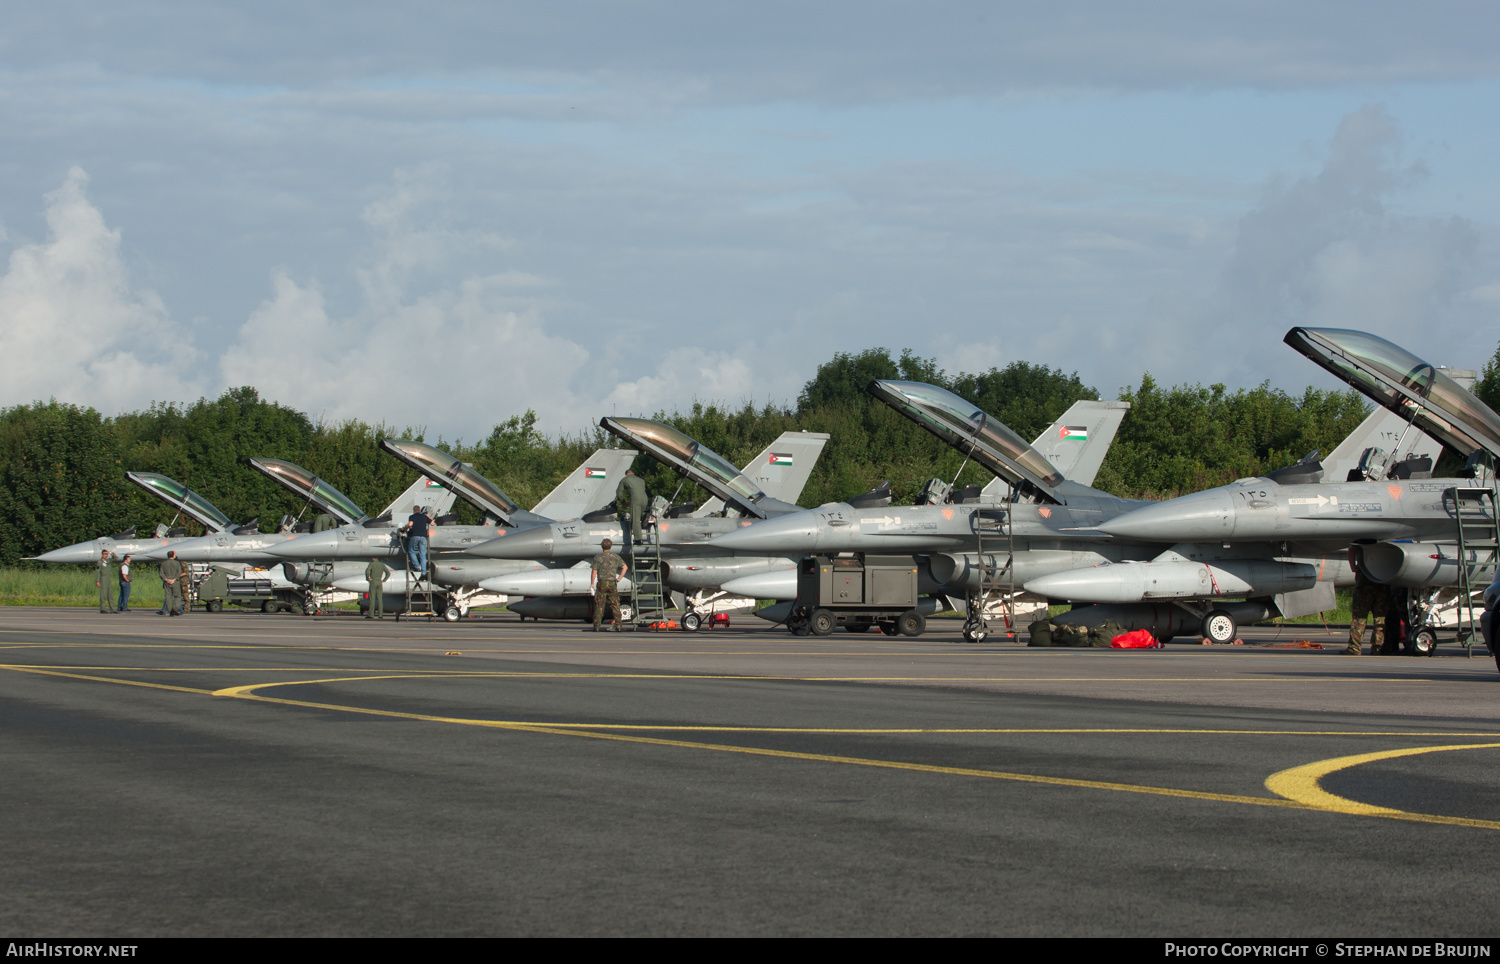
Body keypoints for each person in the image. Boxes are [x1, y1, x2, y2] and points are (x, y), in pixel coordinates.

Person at [589, 538, 629, 632]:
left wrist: (592, 583)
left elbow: (594, 571)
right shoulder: (615, 557)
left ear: (602, 546)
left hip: (602, 582)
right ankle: (618, 626)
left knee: (599, 605)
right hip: (612, 583)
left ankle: (597, 626)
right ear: (610, 546)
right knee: (615, 605)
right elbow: (625, 567)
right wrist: (618, 579)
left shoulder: (598, 557)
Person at [1345, 568, 1388, 656]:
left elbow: (1352, 554)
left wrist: (1355, 567)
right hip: (1382, 580)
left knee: (1359, 618)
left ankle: (1354, 648)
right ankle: (1378, 647)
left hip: (1364, 580)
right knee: (1380, 618)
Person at [616, 469, 648, 546]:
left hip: (636, 500)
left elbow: (619, 492)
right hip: (645, 499)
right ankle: (645, 515)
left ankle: (638, 539)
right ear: (633, 473)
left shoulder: (625, 479)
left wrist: (623, 502)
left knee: (635, 520)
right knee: (639, 515)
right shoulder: (641, 480)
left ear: (626, 474)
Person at [402, 505, 433, 576]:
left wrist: (404, 528)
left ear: (413, 511)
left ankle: (417, 566)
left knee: (411, 550)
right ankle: (424, 572)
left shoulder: (412, 516)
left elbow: (410, 524)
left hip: (415, 536)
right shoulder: (424, 517)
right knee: (423, 554)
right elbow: (432, 523)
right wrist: (428, 516)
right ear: (420, 510)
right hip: (423, 538)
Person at [158, 550, 184, 617]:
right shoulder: (177, 563)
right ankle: (175, 607)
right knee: (178, 596)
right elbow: (179, 572)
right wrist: (174, 579)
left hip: (167, 582)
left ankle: (170, 611)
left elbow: (161, 573)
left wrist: (166, 579)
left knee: (168, 597)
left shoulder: (163, 563)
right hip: (175, 581)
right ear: (173, 555)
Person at [96, 549, 115, 613]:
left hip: (108, 579)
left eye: (106, 554)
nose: (106, 555)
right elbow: (97, 572)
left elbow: (116, 558)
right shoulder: (100, 562)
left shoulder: (108, 561)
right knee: (103, 595)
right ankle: (103, 609)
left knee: (110, 595)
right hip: (103, 579)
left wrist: (110, 553)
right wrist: (97, 581)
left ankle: (112, 609)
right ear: (102, 555)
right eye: (104, 554)